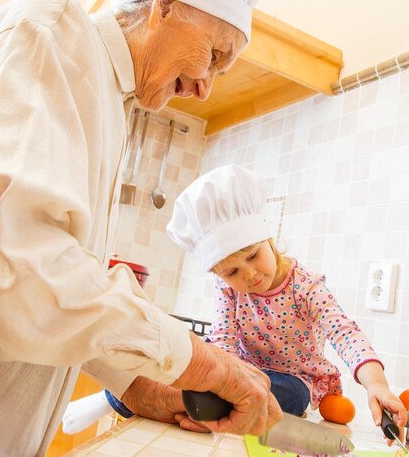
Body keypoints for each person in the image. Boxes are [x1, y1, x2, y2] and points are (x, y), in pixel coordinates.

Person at [0, 0, 283, 457]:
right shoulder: (54, 30)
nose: (204, 87)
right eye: (214, 55)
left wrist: (136, 385)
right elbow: (7, 268)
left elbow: (53, 295)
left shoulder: (108, 100)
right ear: (165, 4)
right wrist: (202, 362)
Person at [166, 165, 407, 438]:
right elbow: (223, 339)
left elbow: (344, 332)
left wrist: (377, 385)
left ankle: (205, 405)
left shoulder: (306, 286)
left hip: (292, 379)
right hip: (242, 374)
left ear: (268, 239)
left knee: (290, 394)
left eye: (253, 256)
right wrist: (223, 382)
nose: (250, 274)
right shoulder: (226, 287)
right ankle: (199, 401)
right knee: (205, 367)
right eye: (233, 272)